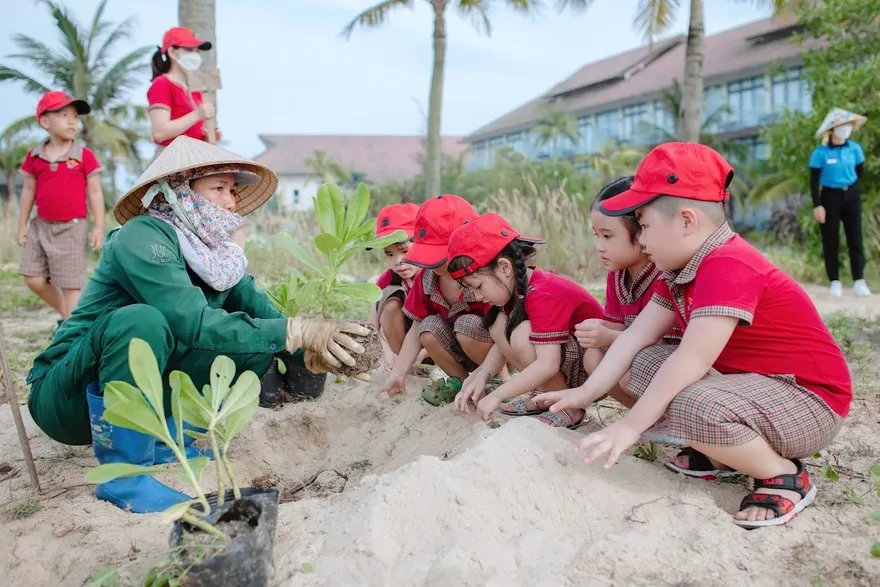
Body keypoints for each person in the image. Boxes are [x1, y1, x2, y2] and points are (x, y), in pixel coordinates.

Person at [26, 136, 369, 514]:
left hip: (138, 395)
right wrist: (295, 331)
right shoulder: (143, 235)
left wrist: (311, 354)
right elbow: (192, 322)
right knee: (142, 321)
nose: (230, 201)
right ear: (178, 190)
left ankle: (162, 440)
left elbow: (268, 319)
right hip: (68, 395)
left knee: (253, 346)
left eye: (232, 190)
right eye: (217, 188)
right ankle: (124, 476)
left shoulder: (217, 259)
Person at [536, 142, 852, 529]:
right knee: (641, 361)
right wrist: (584, 393)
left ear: (687, 221)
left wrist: (630, 426)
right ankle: (721, 453)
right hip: (754, 388)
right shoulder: (680, 270)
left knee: (692, 402)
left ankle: (783, 475)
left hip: (808, 402)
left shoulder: (728, 263)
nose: (643, 240)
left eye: (645, 226)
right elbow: (634, 337)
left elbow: (693, 359)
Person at [447, 213, 604, 429]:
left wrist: (497, 395)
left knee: (522, 335)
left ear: (504, 267)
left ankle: (569, 407)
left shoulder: (541, 293)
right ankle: (545, 395)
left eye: (479, 286)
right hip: (570, 360)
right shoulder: (513, 292)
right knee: (498, 324)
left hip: (596, 368)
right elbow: (501, 345)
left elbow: (548, 364)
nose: (476, 296)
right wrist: (482, 373)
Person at [579, 176, 682, 409]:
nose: (599, 247)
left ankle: (662, 417)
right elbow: (617, 324)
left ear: (641, 232)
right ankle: (646, 417)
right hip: (642, 352)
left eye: (608, 236)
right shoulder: (617, 274)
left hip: (669, 361)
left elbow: (665, 344)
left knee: (629, 371)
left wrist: (609, 336)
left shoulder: (663, 273)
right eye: (597, 235)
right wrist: (600, 328)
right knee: (593, 356)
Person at [379, 194, 494, 399]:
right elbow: (416, 327)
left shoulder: (485, 277)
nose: (430, 262)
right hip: (456, 350)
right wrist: (397, 375)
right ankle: (463, 383)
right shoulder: (427, 277)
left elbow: (504, 329)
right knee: (428, 327)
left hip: (493, 354)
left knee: (467, 325)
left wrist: (497, 373)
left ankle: (495, 381)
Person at [16, 91, 105, 326]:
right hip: (40, 226)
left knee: (71, 286)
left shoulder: (84, 155)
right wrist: (22, 224)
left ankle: (70, 331)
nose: (72, 121)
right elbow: (28, 191)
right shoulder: (35, 156)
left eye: (75, 116)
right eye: (64, 115)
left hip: (72, 228)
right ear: (45, 121)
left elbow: (95, 193)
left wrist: (99, 227)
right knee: (33, 278)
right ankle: (68, 319)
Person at [809, 107, 870, 297]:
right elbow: (813, 180)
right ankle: (834, 281)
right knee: (831, 240)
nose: (846, 129)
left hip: (851, 195)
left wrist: (850, 187)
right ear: (832, 129)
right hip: (829, 197)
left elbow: (859, 171)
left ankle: (859, 280)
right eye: (842, 125)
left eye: (848, 125)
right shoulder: (820, 152)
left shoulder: (855, 149)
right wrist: (817, 204)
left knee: (855, 239)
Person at [367, 202, 424, 367]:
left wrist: (425, 352)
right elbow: (372, 326)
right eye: (389, 254)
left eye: (405, 251)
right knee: (390, 297)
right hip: (405, 350)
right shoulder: (388, 279)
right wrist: (385, 349)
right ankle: (401, 360)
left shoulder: (434, 275)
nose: (398, 261)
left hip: (436, 346)